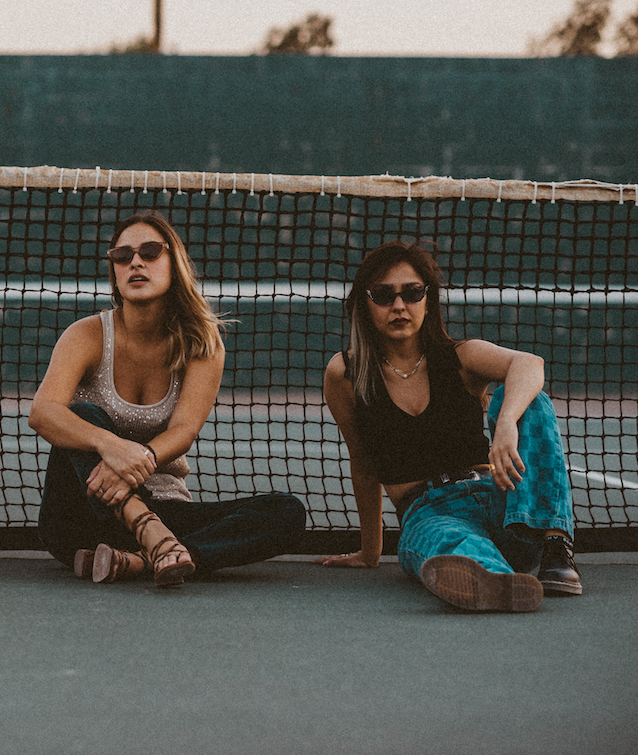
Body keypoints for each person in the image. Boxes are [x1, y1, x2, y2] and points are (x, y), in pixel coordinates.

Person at [28, 210, 305, 587]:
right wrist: (111, 446)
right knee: (83, 413)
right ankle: (154, 540)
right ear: (114, 271)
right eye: (122, 256)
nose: (135, 262)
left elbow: (185, 430)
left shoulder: (202, 345)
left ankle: (141, 561)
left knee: (286, 512)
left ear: (175, 263)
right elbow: (43, 413)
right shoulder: (87, 335)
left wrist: (142, 457)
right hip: (79, 522)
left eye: (150, 251)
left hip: (165, 507)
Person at [315, 241, 582, 611]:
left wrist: (504, 424)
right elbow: (363, 462)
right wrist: (371, 551)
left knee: (526, 397)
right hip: (428, 513)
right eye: (383, 295)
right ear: (365, 302)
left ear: (428, 299)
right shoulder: (345, 373)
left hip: (504, 504)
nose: (398, 306)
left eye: (411, 293)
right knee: (449, 541)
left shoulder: (461, 357)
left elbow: (529, 363)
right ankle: (495, 581)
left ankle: (555, 548)